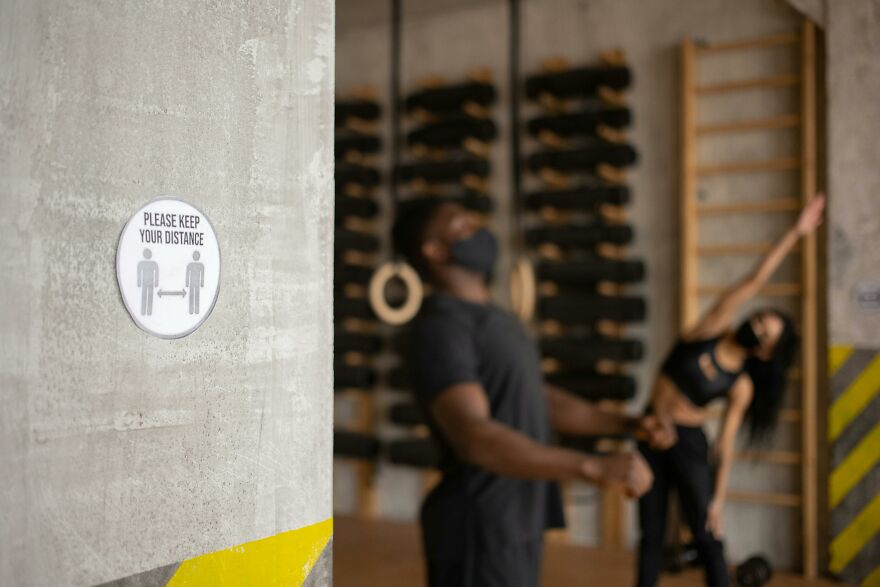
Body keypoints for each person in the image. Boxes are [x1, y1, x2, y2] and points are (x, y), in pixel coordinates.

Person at [392, 197, 675, 587]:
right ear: (434, 250)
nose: (478, 231)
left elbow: (538, 399)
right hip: (479, 527)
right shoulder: (441, 327)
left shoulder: (494, 317)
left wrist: (626, 423)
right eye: (463, 226)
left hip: (517, 518)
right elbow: (474, 436)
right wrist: (591, 466)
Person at [635, 195, 826, 587]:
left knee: (707, 533)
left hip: (687, 444)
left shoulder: (741, 385)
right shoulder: (710, 328)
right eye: (760, 319)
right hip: (649, 428)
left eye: (765, 333)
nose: (756, 326)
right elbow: (754, 280)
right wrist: (796, 232)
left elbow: (724, 445)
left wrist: (718, 499)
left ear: (766, 351)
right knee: (651, 531)